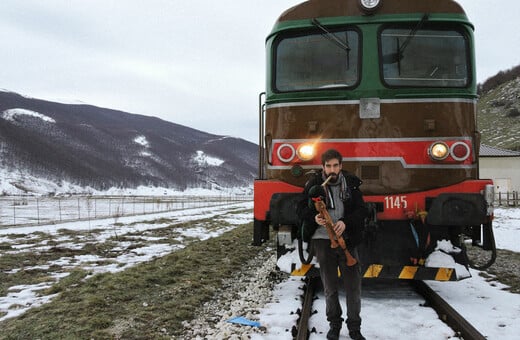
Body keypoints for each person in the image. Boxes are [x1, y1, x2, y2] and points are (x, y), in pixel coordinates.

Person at [300, 149, 367, 340]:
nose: (332, 170)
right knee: (330, 288)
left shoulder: (351, 185)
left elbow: (362, 211)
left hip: (347, 240)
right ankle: (334, 325)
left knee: (353, 288)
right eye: (328, 166)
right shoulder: (314, 185)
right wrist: (314, 217)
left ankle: (354, 328)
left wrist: (346, 222)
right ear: (323, 167)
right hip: (322, 240)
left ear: (341, 166)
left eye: (335, 166)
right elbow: (299, 208)